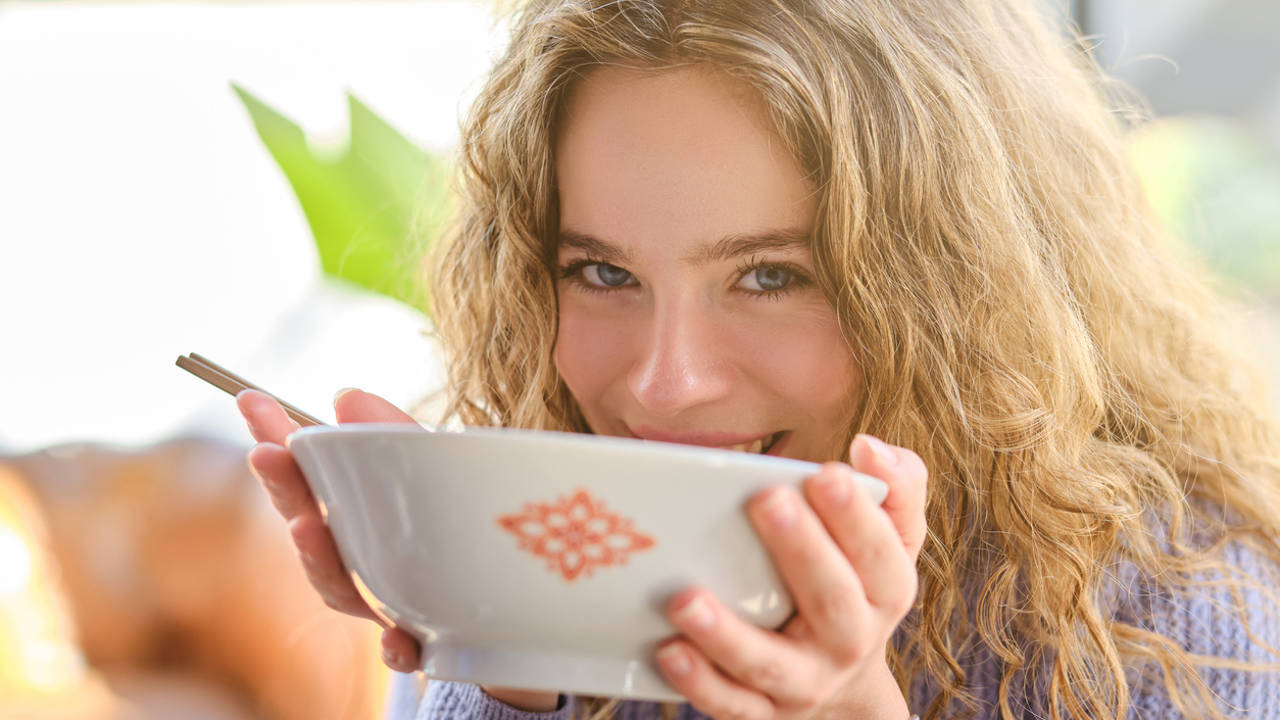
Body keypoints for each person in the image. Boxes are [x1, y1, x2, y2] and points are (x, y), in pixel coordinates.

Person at [237, 0, 1280, 718]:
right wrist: (499, 652)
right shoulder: (545, 529)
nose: (663, 383)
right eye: (600, 273)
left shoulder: (1179, 616)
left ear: (961, 292)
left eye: (771, 276)